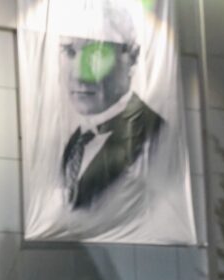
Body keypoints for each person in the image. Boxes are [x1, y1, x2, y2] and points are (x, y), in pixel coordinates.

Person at [57, 3, 162, 211]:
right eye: (69, 51)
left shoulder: (156, 137)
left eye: (96, 54)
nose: (78, 74)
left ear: (132, 57)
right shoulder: (75, 143)